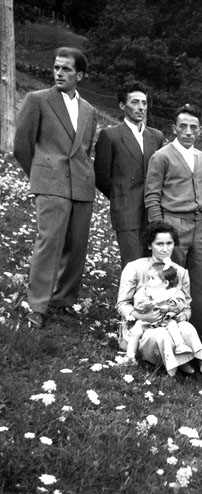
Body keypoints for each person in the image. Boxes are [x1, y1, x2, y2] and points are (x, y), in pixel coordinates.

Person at [14, 47, 98, 329]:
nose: (59, 73)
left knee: (77, 247)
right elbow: (21, 146)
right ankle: (37, 305)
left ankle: (63, 300)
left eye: (66, 69)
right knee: (49, 244)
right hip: (51, 184)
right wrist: (42, 176)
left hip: (82, 186)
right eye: (56, 68)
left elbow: (85, 150)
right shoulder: (37, 100)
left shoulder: (89, 110)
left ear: (80, 75)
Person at [144, 104, 202, 342]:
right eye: (183, 126)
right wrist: (160, 232)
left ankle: (199, 342)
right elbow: (152, 195)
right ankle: (167, 342)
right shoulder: (161, 156)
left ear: (199, 130)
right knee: (171, 283)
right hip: (173, 224)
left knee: (201, 286)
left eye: (193, 127)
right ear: (174, 128)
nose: (188, 132)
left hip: (199, 226)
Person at [117, 222, 202, 376]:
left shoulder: (180, 272)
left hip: (169, 320)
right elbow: (122, 304)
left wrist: (181, 315)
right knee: (161, 335)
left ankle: (199, 364)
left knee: (187, 328)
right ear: (149, 245)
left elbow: (186, 306)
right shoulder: (135, 267)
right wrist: (141, 316)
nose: (165, 249)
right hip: (140, 326)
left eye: (169, 243)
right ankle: (175, 366)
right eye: (159, 244)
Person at [94, 80, 165, 268]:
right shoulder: (110, 136)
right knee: (133, 267)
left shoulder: (156, 137)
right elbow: (101, 177)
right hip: (126, 212)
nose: (141, 107)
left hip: (152, 213)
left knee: (155, 267)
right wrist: (121, 195)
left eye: (144, 103)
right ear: (122, 105)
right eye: (135, 102)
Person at [120, 263, 192, 365]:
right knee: (136, 331)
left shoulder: (172, 292)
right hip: (147, 319)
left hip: (165, 319)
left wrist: (168, 307)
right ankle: (130, 356)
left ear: (165, 283)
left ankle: (180, 345)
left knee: (173, 326)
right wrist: (147, 305)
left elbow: (180, 304)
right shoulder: (147, 291)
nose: (148, 281)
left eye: (152, 278)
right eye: (148, 278)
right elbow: (138, 303)